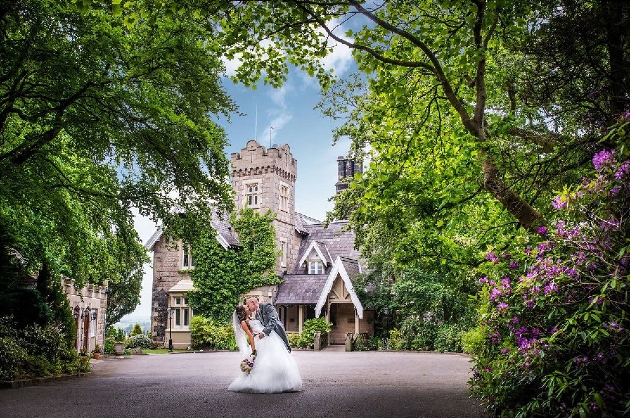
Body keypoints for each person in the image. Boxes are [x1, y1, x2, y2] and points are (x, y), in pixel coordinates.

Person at [228, 303, 302, 393]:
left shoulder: (250, 318)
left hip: (268, 337)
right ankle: (265, 383)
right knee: (264, 362)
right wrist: (253, 349)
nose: (248, 307)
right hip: (260, 340)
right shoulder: (243, 322)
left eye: (247, 306)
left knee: (276, 359)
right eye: (246, 307)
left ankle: (280, 381)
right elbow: (251, 336)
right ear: (243, 311)